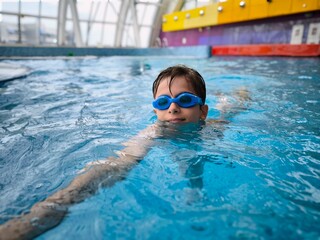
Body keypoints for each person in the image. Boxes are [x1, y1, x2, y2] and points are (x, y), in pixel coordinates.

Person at [0, 65, 249, 240]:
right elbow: (115, 165)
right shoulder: (153, 133)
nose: (173, 108)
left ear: (202, 111)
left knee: (227, 116)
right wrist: (56, 204)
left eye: (184, 100)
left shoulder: (211, 128)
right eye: (163, 103)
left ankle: (236, 99)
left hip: (205, 131)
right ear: (156, 112)